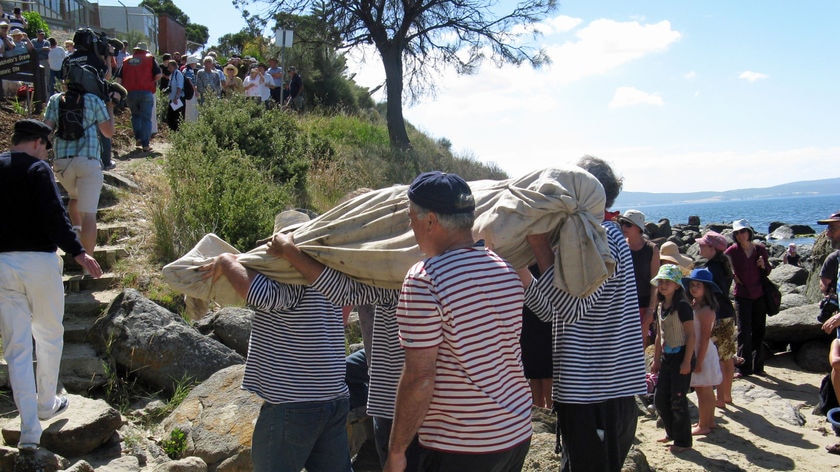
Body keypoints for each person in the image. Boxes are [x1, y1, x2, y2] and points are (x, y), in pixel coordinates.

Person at [383, 171, 532, 472]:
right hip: (515, 431)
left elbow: (420, 377)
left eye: (411, 218)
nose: (410, 226)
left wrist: (397, 451)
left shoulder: (425, 279)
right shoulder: (504, 269)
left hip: (460, 444)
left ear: (430, 221)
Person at [198, 213, 352, 472]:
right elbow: (344, 314)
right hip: (333, 396)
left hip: (294, 403)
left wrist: (226, 260)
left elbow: (258, 295)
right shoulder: (329, 275)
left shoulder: (290, 273)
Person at [521, 156, 647, 471]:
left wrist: (539, 248)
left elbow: (568, 308)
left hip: (597, 393)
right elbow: (553, 313)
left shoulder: (601, 236)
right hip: (587, 393)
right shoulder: (588, 235)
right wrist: (521, 270)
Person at [0, 119, 102, 452]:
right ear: (37, 142)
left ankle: (30, 430)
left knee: (16, 347)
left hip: (2, 263)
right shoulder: (38, 170)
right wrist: (80, 253)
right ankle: (46, 402)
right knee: (48, 333)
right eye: (47, 146)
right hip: (39, 263)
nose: (48, 152)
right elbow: (53, 216)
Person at [43, 74, 116, 257]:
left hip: (62, 163)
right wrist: (110, 109)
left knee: (74, 196)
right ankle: (88, 263)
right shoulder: (94, 100)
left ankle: (75, 232)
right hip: (88, 160)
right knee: (89, 214)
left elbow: (46, 129)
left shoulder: (55, 99)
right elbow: (108, 133)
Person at [650, 264, 695, 453]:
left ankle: (683, 441)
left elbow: (691, 335)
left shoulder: (683, 306)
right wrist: (656, 359)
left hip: (682, 356)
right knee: (660, 399)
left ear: (677, 285)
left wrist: (686, 361)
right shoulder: (661, 306)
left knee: (678, 400)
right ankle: (671, 432)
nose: (663, 285)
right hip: (668, 357)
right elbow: (660, 336)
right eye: (661, 282)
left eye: (668, 282)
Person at [696, 230, 738, 408]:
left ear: (712, 248)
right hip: (727, 314)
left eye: (702, 245)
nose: (699, 247)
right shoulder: (723, 265)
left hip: (718, 315)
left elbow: (712, 293)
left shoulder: (712, 268)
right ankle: (726, 395)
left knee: (720, 359)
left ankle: (720, 398)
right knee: (727, 357)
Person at [725, 219, 771, 378]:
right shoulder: (731, 251)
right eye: (737, 232)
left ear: (749, 232)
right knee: (743, 332)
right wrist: (732, 274)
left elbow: (768, 271)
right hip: (742, 295)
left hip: (759, 294)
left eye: (743, 231)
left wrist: (763, 265)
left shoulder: (759, 249)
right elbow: (724, 267)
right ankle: (744, 368)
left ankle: (758, 366)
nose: (740, 235)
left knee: (759, 330)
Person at [682, 268, 723, 436]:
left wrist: (698, 362)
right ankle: (709, 421)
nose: (693, 288)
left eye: (698, 285)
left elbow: (705, 338)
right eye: (692, 285)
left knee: (703, 390)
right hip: (698, 350)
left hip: (703, 352)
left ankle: (704, 424)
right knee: (702, 389)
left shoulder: (706, 310)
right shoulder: (695, 305)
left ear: (706, 288)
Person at [617, 209, 660, 348]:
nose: (623, 227)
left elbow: (655, 282)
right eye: (622, 223)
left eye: (628, 224)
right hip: (623, 304)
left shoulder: (651, 249)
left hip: (643, 304)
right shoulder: (620, 246)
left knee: (638, 345)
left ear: (638, 228)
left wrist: (650, 310)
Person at [117, 42, 161, 153]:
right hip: (146, 92)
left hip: (130, 93)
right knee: (146, 118)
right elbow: (158, 75)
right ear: (146, 51)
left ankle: (138, 139)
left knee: (135, 116)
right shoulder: (150, 59)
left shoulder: (126, 60)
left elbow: (118, 78)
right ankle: (146, 145)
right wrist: (151, 81)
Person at [165, 60, 184, 132]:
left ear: (173, 66)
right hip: (172, 98)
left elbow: (180, 87)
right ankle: (172, 131)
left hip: (178, 99)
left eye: (169, 67)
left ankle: (177, 132)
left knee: (177, 117)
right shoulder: (172, 75)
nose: (168, 69)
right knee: (170, 117)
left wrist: (176, 97)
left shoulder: (178, 74)